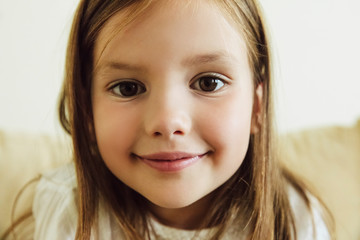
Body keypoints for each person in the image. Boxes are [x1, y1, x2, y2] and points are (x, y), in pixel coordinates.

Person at [4, 0, 334, 239]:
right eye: (128, 87)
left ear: (256, 109)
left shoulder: (296, 220)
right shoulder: (70, 211)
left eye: (208, 83)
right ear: (87, 113)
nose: (167, 121)